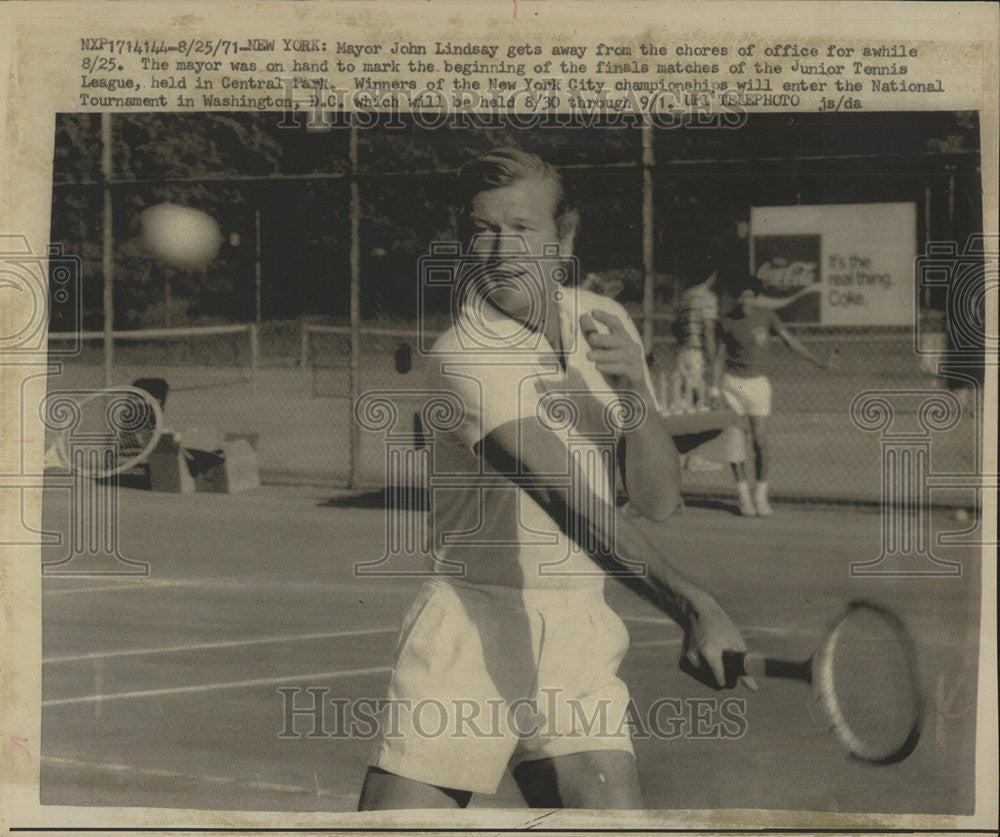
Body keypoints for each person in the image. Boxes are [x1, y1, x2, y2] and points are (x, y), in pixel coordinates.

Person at [358, 148, 753, 811]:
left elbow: (658, 499)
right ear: (462, 240)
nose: (501, 248)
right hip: (471, 628)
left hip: (578, 631)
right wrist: (695, 605)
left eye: (522, 226)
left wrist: (635, 398)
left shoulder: (603, 319)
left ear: (563, 237)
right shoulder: (466, 355)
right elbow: (564, 496)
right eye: (483, 228)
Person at [710, 274, 830, 517]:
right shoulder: (727, 321)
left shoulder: (767, 316)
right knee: (736, 444)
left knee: (760, 442)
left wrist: (817, 361)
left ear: (755, 297)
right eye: (741, 296)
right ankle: (744, 497)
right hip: (733, 385)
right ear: (737, 298)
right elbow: (719, 358)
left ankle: (760, 496)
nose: (745, 301)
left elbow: (789, 341)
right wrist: (713, 389)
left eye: (750, 296)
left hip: (758, 386)